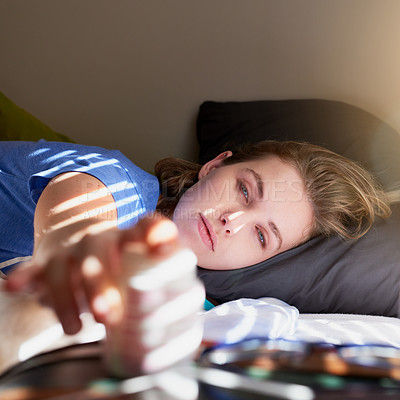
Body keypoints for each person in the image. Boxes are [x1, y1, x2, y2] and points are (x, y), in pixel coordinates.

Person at [0, 139, 395, 363]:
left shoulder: (204, 306)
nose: (232, 222)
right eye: (244, 190)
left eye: (261, 236)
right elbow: (76, 219)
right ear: (214, 165)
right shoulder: (120, 183)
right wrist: (69, 258)